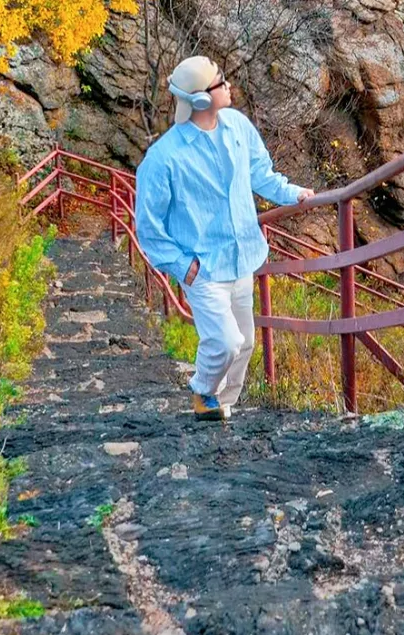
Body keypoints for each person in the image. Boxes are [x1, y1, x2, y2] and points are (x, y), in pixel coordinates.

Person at [135, 55, 314, 421]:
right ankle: (203, 391)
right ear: (201, 99)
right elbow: (148, 227)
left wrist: (293, 194)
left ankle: (224, 403)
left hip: (242, 256)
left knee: (245, 342)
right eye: (220, 82)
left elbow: (261, 174)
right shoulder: (163, 158)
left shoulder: (237, 126)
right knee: (225, 342)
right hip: (203, 268)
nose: (228, 86)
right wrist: (184, 267)